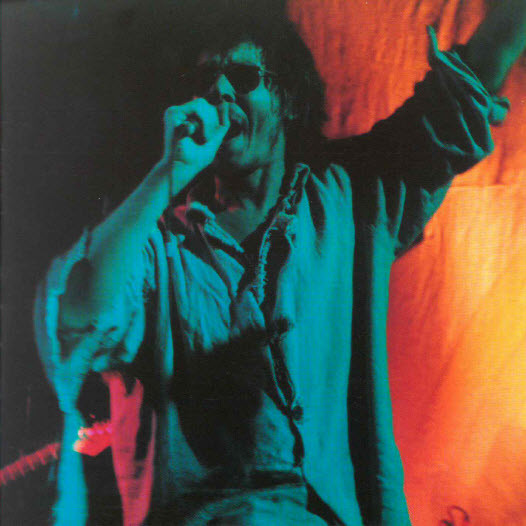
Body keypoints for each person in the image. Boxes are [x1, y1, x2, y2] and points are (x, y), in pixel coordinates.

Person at [34, 2, 526, 524]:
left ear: (287, 98)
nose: (221, 93)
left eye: (243, 77)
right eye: (205, 82)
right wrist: (167, 173)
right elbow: (77, 320)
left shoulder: (349, 198)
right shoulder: (160, 247)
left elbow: (462, 96)